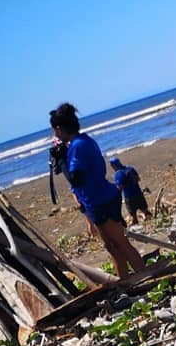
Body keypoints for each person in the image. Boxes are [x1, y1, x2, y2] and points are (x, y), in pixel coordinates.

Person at [48, 102, 145, 279]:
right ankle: (125, 281)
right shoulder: (81, 141)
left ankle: (144, 277)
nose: (54, 134)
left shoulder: (77, 146)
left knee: (120, 244)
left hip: (100, 200)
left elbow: (76, 179)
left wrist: (62, 160)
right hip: (99, 198)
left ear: (59, 128)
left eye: (54, 130)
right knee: (112, 246)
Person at [109, 157, 150, 224]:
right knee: (145, 211)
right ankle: (150, 223)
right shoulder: (130, 168)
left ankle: (137, 227)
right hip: (138, 194)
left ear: (112, 166)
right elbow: (138, 179)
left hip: (129, 198)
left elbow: (119, 188)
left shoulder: (118, 174)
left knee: (133, 216)